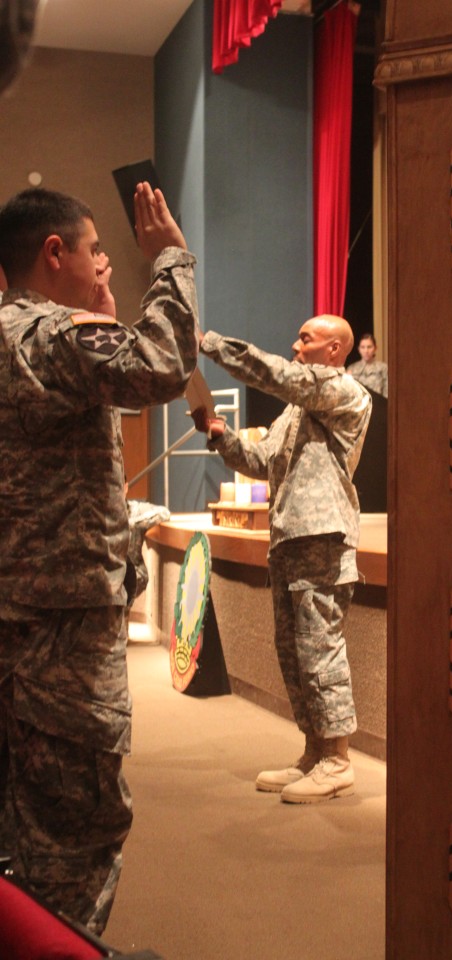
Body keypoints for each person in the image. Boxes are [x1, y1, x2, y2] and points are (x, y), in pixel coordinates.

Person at [0, 182, 199, 933]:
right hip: (61, 631)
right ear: (56, 253)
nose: (106, 268)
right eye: (98, 255)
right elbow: (162, 365)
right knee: (73, 830)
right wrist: (170, 258)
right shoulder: (51, 336)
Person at [191, 315, 371, 803]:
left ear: (334, 350)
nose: (295, 345)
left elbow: (279, 375)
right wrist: (219, 435)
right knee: (294, 654)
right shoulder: (295, 413)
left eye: (306, 339)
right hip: (290, 539)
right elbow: (261, 461)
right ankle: (315, 752)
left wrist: (209, 343)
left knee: (320, 650)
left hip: (321, 539)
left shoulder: (346, 392)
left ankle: (338, 760)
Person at [346, 331, 388, 398]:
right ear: (359, 349)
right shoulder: (352, 368)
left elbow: (387, 392)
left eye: (369, 347)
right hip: (358, 405)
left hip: (379, 404)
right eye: (363, 347)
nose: (366, 351)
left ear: (375, 348)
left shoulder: (383, 368)